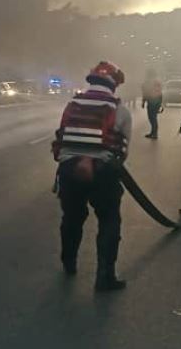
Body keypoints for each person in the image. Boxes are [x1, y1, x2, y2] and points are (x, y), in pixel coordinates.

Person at [52, 61, 132, 292]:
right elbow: (123, 150)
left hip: (69, 169)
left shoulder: (72, 104)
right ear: (114, 84)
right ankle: (105, 276)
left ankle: (69, 262)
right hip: (104, 172)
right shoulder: (120, 110)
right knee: (109, 220)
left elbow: (62, 136)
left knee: (72, 217)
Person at [141, 69, 164, 140]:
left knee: (152, 118)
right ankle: (153, 132)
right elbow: (160, 92)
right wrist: (160, 103)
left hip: (151, 101)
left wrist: (143, 102)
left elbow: (145, 92)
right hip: (157, 101)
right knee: (154, 118)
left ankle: (154, 133)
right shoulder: (158, 81)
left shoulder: (147, 82)